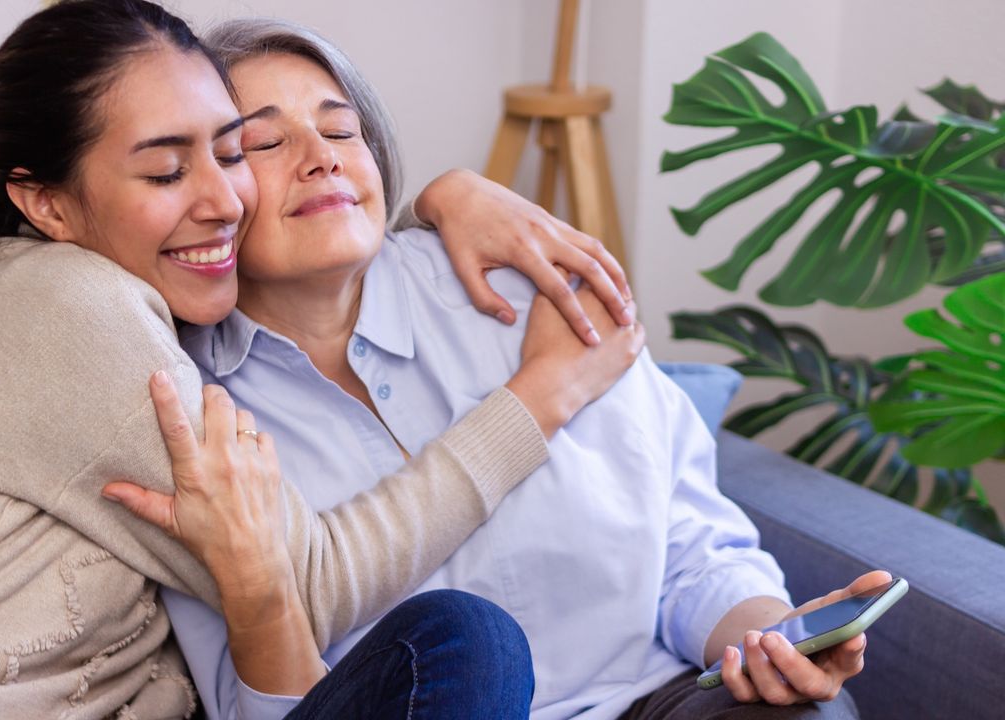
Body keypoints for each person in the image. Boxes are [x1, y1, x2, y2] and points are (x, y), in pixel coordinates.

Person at [0, 2, 644, 718]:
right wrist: (539, 397)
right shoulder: (61, 308)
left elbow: (321, 252)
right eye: (167, 173)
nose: (224, 199)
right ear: (46, 204)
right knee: (462, 646)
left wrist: (442, 199)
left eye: (227, 151)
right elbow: (313, 578)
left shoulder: (134, 313)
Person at [106, 17, 885, 720]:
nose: (321, 161)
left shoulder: (527, 285)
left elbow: (690, 546)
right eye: (266, 144)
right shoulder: (193, 412)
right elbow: (262, 707)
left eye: (343, 133)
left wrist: (768, 641)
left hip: (657, 699)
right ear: (211, 190)